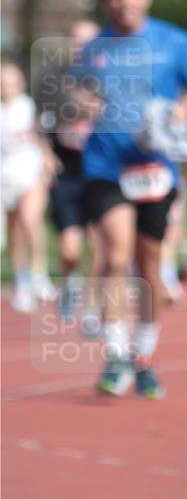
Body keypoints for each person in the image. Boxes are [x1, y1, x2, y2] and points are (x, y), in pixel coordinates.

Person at [76, 0, 187, 397]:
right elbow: (73, 89)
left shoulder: (174, 41)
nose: (125, 2)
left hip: (155, 171)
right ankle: (116, 353)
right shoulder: (94, 48)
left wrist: (183, 109)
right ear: (106, 2)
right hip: (106, 168)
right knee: (116, 257)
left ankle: (144, 356)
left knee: (149, 267)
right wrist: (82, 100)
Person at [38, 19, 105, 323]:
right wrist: (45, 155)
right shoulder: (53, 80)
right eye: (77, 40)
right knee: (70, 249)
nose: (82, 46)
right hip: (68, 172)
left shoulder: (109, 77)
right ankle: (69, 284)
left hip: (101, 170)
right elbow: (38, 124)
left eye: (89, 40)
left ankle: (91, 306)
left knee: (100, 242)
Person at [0, 58, 58, 312]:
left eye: (12, 81)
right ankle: (21, 282)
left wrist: (47, 159)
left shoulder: (29, 106)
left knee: (29, 219)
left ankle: (39, 273)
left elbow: (40, 136)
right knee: (15, 232)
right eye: (3, 82)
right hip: (5, 178)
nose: (8, 86)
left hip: (31, 173)